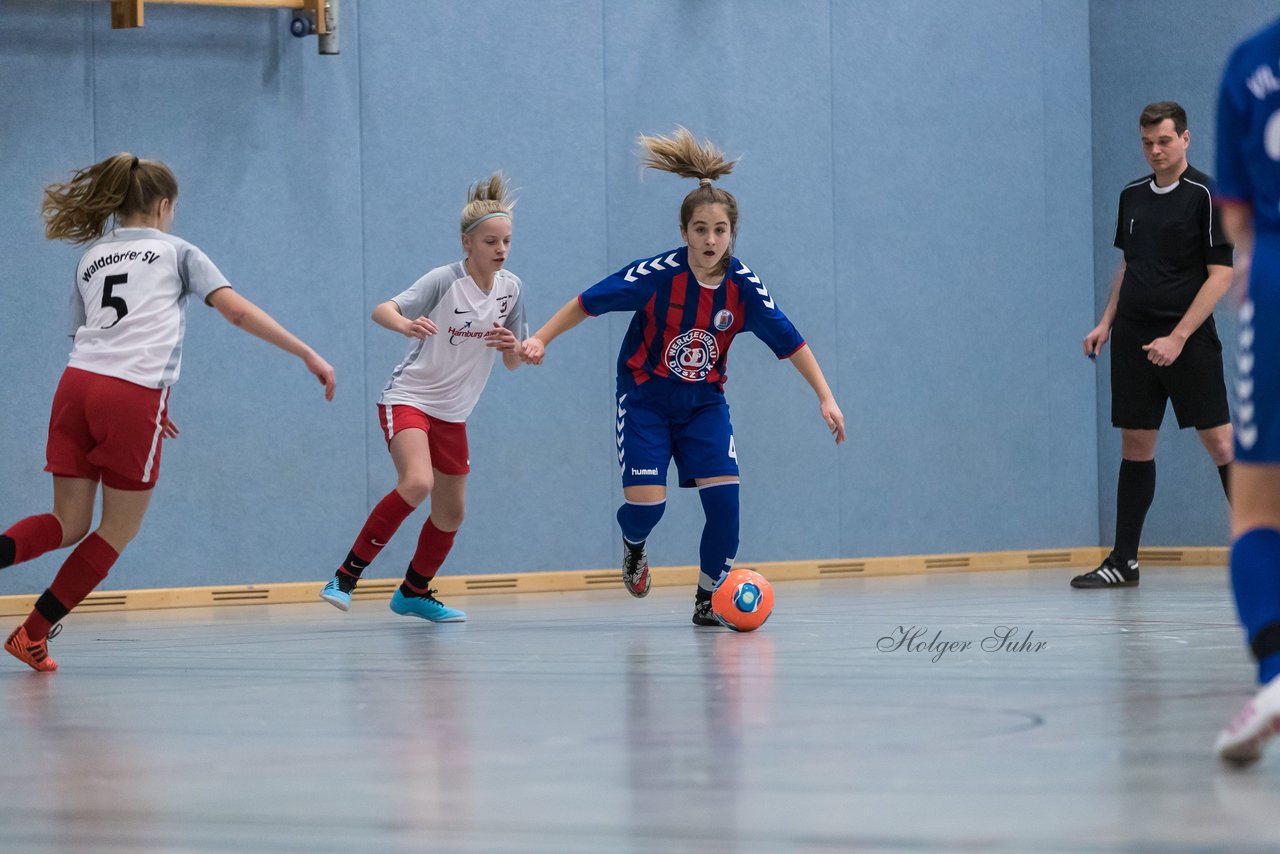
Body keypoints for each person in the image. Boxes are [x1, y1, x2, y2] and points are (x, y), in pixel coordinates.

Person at [1, 152, 337, 672]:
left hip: (76, 385)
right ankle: (33, 632)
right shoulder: (178, 252)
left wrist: (136, 402)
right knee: (116, 529)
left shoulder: (90, 257)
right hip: (132, 395)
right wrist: (306, 352)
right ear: (163, 206)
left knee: (66, 522)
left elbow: (87, 334)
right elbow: (237, 311)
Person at [521, 128, 845, 626]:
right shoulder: (655, 276)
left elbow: (792, 342)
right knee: (648, 508)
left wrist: (825, 397)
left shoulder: (744, 287)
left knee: (726, 510)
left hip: (704, 406)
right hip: (645, 400)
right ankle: (633, 544)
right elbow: (587, 302)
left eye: (719, 230)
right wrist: (541, 338)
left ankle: (708, 599)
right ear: (683, 232)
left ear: (732, 233)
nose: (710, 239)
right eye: (700, 229)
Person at [319, 175, 524, 622]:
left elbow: (512, 362)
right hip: (409, 398)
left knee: (451, 514)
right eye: (491, 240)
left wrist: (515, 348)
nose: (501, 249)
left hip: (454, 414)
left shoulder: (511, 290)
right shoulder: (444, 280)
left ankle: (412, 591)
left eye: (507, 240)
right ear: (467, 243)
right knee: (417, 482)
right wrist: (405, 325)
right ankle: (346, 576)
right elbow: (382, 309)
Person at [1074, 101, 1234, 589]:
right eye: (1147, 143)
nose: (1155, 151)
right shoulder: (1131, 196)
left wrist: (1179, 336)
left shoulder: (1208, 195)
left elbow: (1221, 275)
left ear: (1186, 138)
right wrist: (1106, 322)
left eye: (1164, 141)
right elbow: (1130, 266)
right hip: (1134, 340)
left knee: (1222, 443)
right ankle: (1124, 561)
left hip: (1187, 339)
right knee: (1136, 443)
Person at [1212, 18, 1280, 765]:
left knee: (1260, 504)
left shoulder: (1250, 60)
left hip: (1274, 279)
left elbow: (1235, 217)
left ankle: (1276, 673)